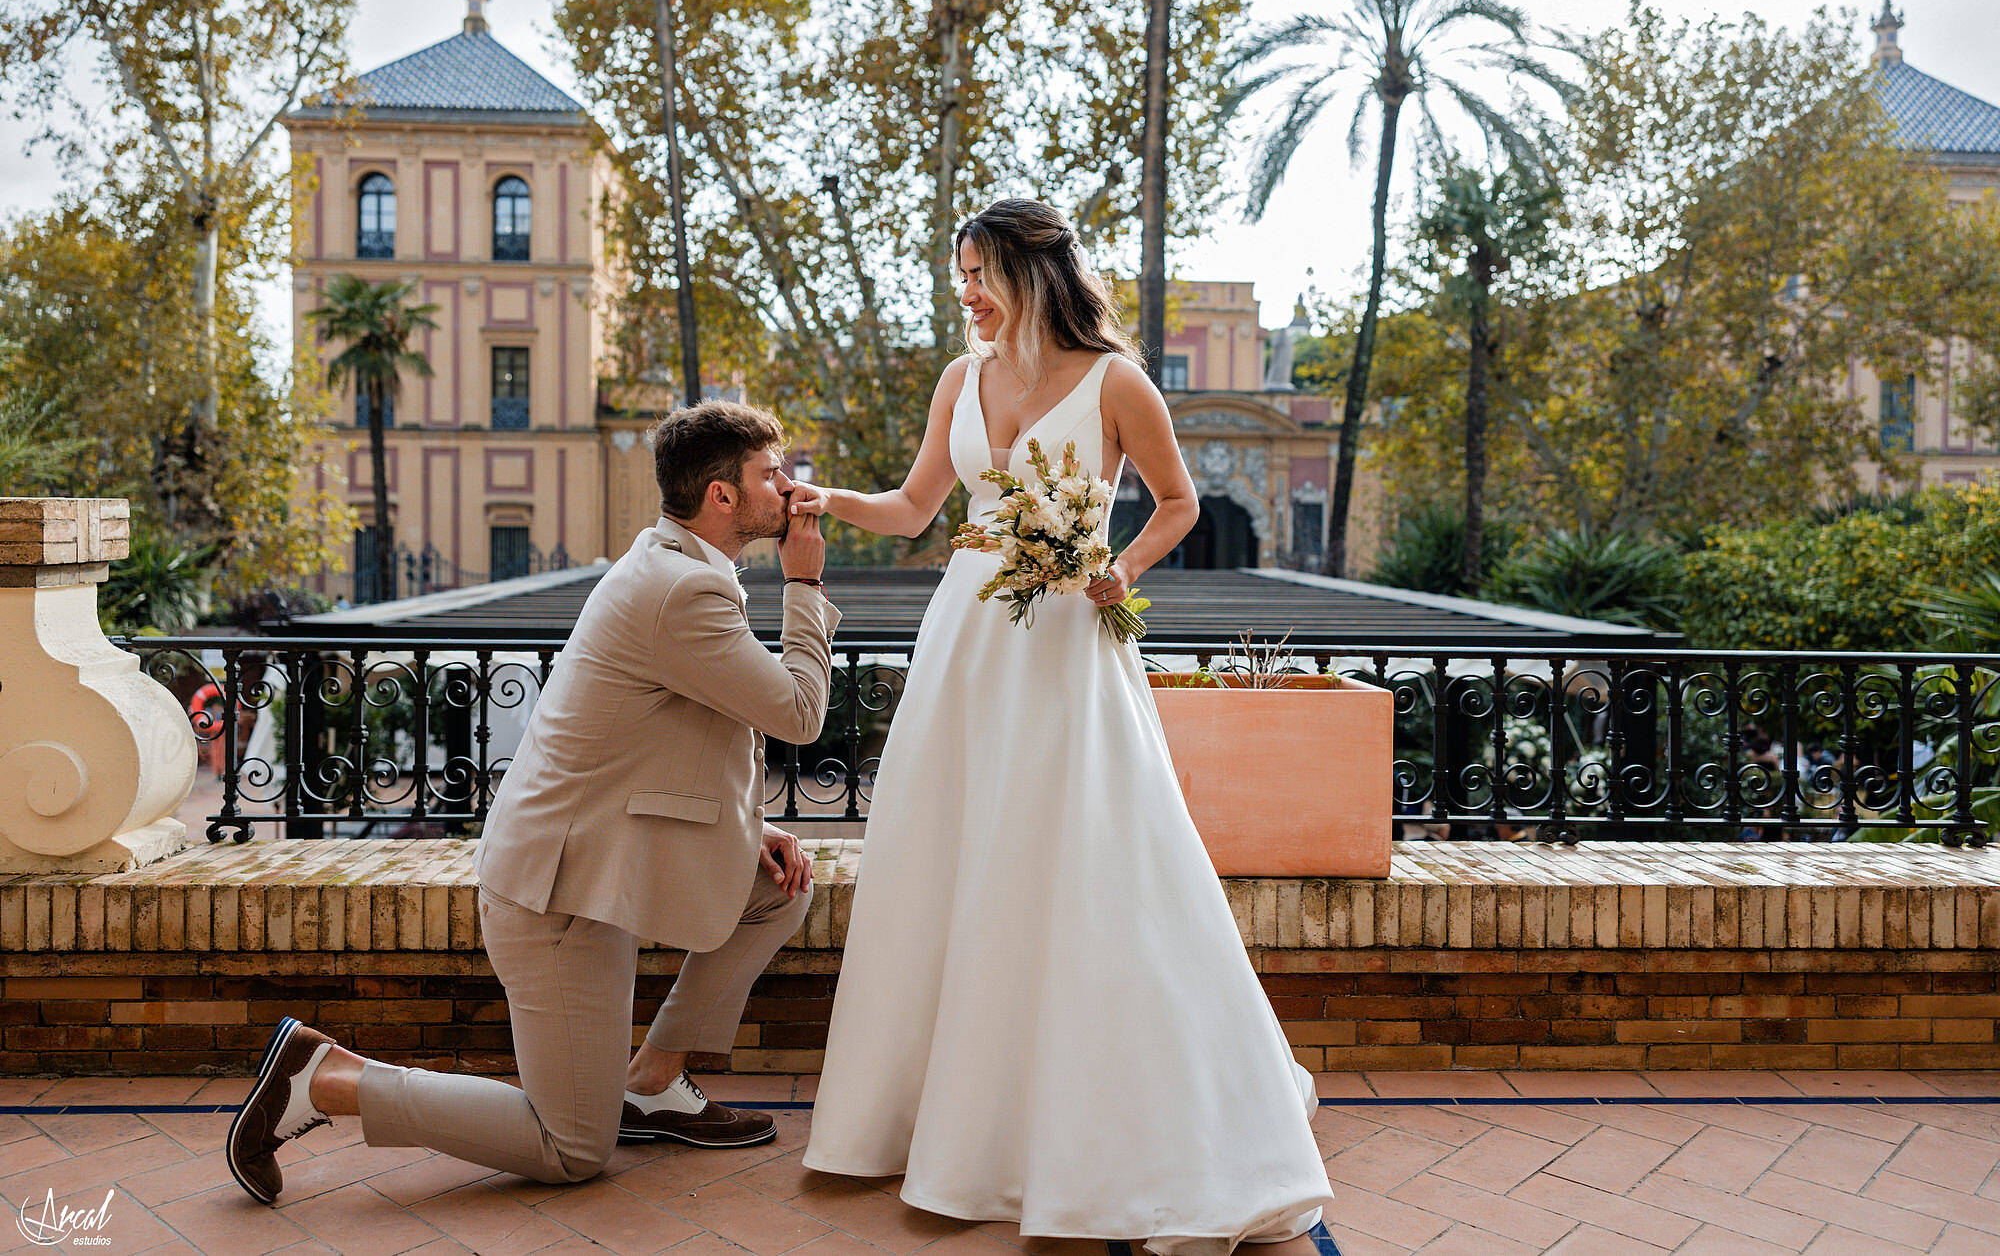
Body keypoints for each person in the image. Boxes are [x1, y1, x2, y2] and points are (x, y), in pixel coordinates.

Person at [792, 198, 1332, 1254]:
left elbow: (1174, 503)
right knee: (952, 853)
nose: (966, 295)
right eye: (959, 278)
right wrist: (824, 500)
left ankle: (1104, 1128)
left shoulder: (1116, 381)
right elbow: (913, 510)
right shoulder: (960, 378)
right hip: (965, 640)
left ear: (1031, 270)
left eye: (978, 273)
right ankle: (947, 1127)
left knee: (1078, 860)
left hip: (1063, 643)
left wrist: (1116, 571)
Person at [225, 401, 841, 1203]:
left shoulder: (678, 566)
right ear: (721, 496)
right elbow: (798, 714)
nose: (788, 487)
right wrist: (806, 582)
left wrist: (753, 830)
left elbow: (674, 741)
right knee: (572, 1149)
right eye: (770, 472)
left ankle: (651, 1082)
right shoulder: (680, 590)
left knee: (778, 894)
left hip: (596, 861)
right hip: (555, 895)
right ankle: (329, 1077)